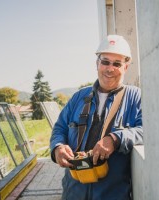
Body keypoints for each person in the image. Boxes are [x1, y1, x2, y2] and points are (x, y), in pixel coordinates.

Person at [50, 35, 143, 200]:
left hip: (112, 193)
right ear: (97, 63)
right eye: (105, 62)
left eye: (117, 64)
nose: (110, 68)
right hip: (73, 191)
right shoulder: (79, 97)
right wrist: (57, 147)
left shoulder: (135, 97)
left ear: (126, 67)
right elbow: (60, 128)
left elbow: (146, 130)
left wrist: (116, 138)